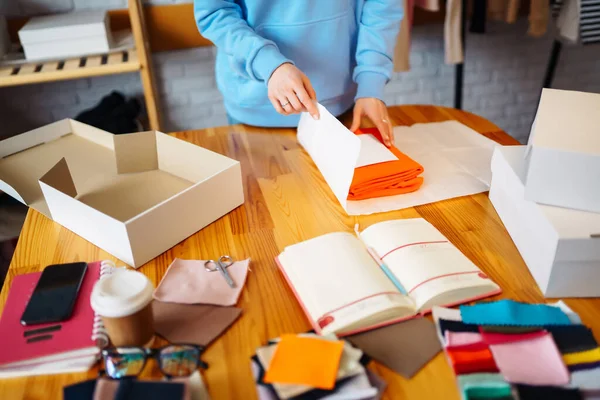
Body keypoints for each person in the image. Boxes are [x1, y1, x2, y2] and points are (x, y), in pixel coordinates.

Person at [194, 1, 403, 146]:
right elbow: (214, 12)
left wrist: (371, 82)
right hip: (254, 107)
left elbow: (382, 6)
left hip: (343, 105)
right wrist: (268, 64)